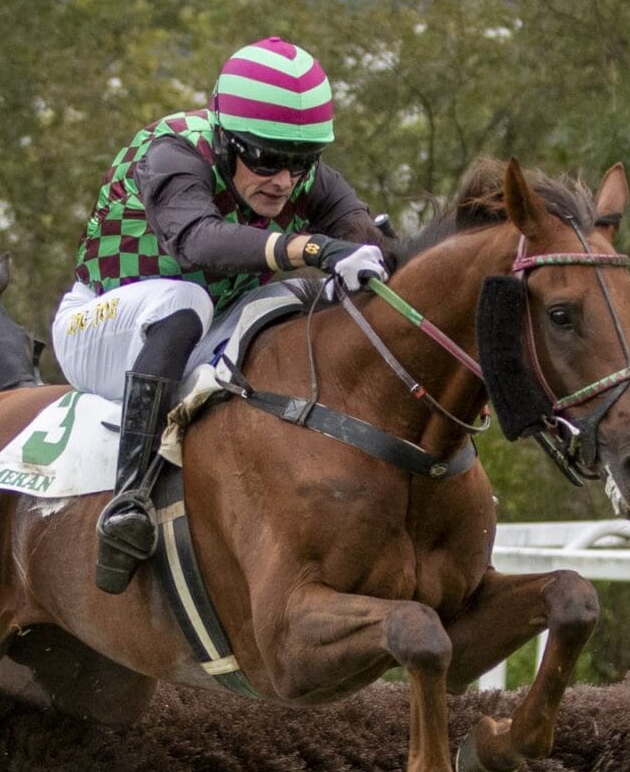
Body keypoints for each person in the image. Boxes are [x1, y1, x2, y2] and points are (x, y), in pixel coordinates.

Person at [51, 37, 389, 593]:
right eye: (266, 160)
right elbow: (198, 242)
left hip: (203, 328)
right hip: (100, 327)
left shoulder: (301, 177)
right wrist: (311, 248)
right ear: (227, 139)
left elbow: (368, 243)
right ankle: (128, 501)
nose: (284, 181)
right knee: (187, 299)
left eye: (300, 162)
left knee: (301, 300)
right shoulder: (172, 153)